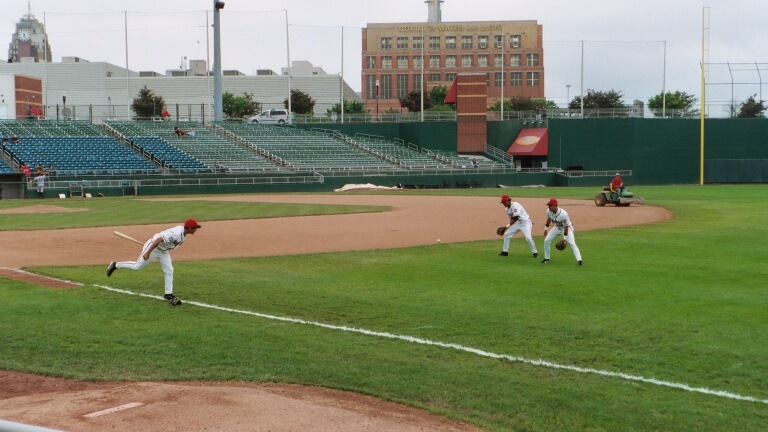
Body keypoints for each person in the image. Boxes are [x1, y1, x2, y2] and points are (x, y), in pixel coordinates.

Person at [106, 218, 202, 306]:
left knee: (169, 270)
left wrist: (163, 249)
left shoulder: (184, 235)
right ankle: (115, 265)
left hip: (163, 251)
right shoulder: (176, 233)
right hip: (154, 247)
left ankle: (168, 294)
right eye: (195, 228)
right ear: (189, 228)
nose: (196, 230)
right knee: (137, 266)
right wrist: (148, 252)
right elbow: (158, 240)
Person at [542, 198, 583, 266]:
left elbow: (566, 227)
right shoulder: (548, 211)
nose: (548, 207)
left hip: (566, 228)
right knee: (546, 240)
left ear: (555, 206)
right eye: (548, 205)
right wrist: (545, 228)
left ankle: (579, 260)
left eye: (550, 205)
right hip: (557, 227)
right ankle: (546, 258)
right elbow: (549, 219)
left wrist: (564, 239)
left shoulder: (563, 214)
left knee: (572, 243)